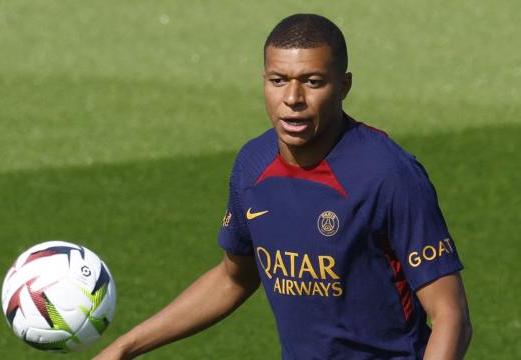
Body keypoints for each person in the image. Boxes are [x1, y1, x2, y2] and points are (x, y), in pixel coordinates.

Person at [93, 13, 472, 360]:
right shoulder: (252, 166)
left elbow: (450, 314)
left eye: (313, 82)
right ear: (264, 82)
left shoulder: (388, 173)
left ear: (343, 86)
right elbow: (233, 278)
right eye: (279, 81)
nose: (292, 99)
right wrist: (125, 348)